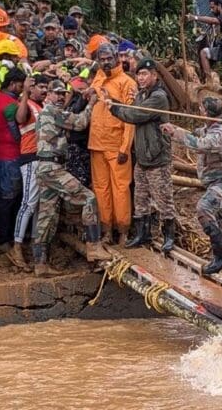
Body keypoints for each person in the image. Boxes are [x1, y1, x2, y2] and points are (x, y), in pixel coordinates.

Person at [34, 81, 112, 274]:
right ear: (48, 95)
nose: (60, 97)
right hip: (52, 168)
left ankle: (40, 263)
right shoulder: (52, 112)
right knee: (88, 198)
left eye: (63, 94)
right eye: (57, 93)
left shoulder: (46, 114)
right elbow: (80, 123)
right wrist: (92, 103)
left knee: (47, 214)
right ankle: (94, 247)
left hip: (46, 167)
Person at [107, 57, 175, 252]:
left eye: (145, 74)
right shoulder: (142, 95)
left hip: (157, 157)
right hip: (143, 157)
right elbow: (132, 110)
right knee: (141, 198)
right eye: (138, 74)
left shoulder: (158, 97)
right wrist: (118, 103)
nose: (141, 78)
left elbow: (135, 115)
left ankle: (169, 236)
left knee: (163, 200)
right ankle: (142, 233)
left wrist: (113, 106)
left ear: (154, 75)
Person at [162, 97, 222, 271]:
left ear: (207, 113)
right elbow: (195, 134)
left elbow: (200, 144)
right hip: (214, 183)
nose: (200, 112)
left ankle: (220, 257)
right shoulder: (208, 128)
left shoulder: (220, 133)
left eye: (202, 109)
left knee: (204, 208)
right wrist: (175, 129)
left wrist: (175, 133)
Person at [89, 44, 135, 245]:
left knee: (121, 189)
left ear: (116, 57)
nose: (106, 62)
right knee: (101, 188)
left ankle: (123, 230)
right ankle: (106, 229)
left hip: (117, 145)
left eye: (109, 58)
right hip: (96, 143)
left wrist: (125, 147)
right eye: (102, 59)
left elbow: (130, 117)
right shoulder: (98, 77)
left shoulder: (127, 82)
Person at [0, 68, 28, 269]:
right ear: (14, 83)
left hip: (1, 154)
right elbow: (17, 131)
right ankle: (4, 239)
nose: (22, 90)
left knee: (7, 197)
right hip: (10, 156)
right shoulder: (9, 105)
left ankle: (4, 237)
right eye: (21, 86)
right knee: (10, 198)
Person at [12, 74, 47, 266]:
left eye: (45, 87)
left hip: (42, 159)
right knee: (29, 203)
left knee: (38, 205)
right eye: (40, 87)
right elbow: (19, 118)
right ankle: (16, 247)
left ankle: (34, 246)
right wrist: (25, 93)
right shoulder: (28, 105)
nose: (44, 90)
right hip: (30, 158)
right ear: (32, 89)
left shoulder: (41, 106)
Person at [187, 0, 222, 113]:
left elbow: (213, 21)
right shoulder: (220, 17)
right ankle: (209, 81)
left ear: (219, 6)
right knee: (204, 53)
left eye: (213, 7)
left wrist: (195, 17)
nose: (211, 10)